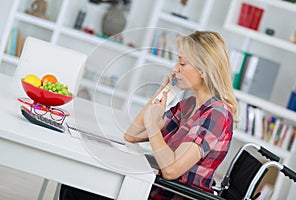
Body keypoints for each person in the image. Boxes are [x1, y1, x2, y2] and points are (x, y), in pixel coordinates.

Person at [60, 30, 238, 200]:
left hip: (164, 195)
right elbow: (132, 135)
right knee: (74, 183)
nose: (175, 68)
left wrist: (153, 125)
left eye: (182, 63)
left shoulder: (217, 114)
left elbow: (170, 170)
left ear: (204, 69)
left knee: (76, 191)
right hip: (151, 189)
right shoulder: (190, 105)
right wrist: (162, 91)